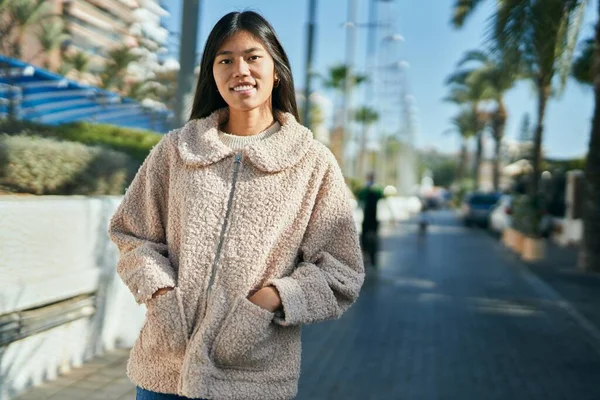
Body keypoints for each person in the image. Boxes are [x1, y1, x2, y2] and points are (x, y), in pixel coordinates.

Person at [108, 11, 365, 400]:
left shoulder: (311, 162)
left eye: (252, 57)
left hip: (253, 375)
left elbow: (342, 271)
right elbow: (131, 234)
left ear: (276, 70)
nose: (239, 70)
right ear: (212, 74)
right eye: (225, 60)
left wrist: (269, 301)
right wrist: (162, 296)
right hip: (164, 370)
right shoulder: (177, 150)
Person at [356, 172, 384, 267]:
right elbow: (360, 197)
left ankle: (372, 257)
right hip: (367, 217)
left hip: (374, 217)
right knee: (365, 238)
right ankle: (367, 256)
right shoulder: (365, 189)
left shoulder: (376, 189)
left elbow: (381, 196)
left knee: (373, 238)